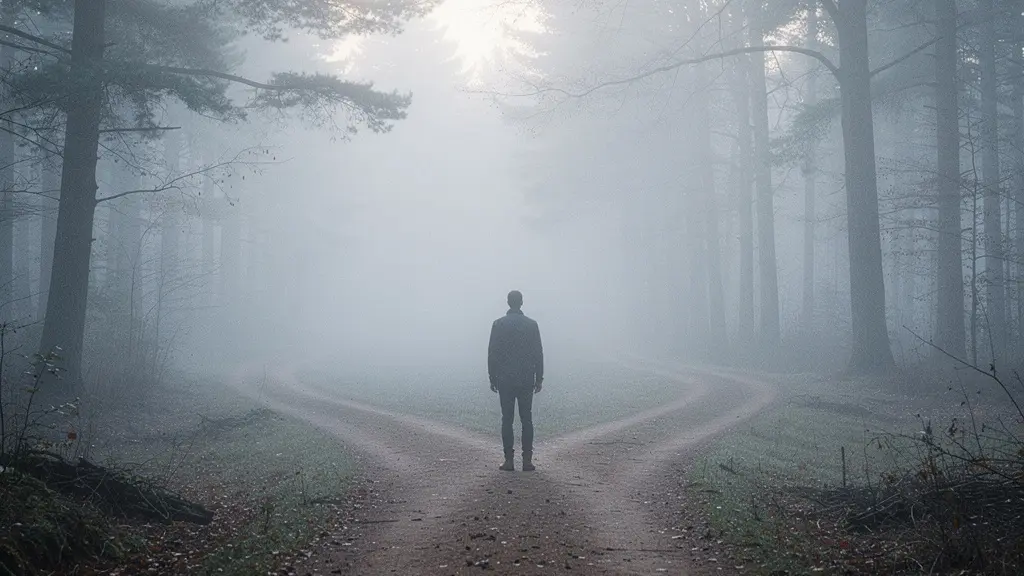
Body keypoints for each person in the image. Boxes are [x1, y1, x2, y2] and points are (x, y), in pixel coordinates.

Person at [488, 290, 544, 472]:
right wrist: (539, 378)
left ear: (507, 302)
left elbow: (492, 353)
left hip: (504, 379)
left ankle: (509, 460)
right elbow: (538, 353)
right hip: (526, 378)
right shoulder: (532, 325)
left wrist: (492, 376)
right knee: (526, 419)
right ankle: (527, 461)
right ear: (521, 302)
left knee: (507, 419)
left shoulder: (498, 324)